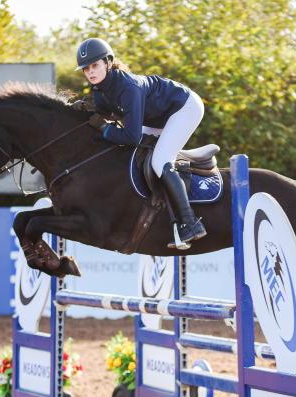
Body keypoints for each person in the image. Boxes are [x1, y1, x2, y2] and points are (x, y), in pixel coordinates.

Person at [75, 37, 206, 250]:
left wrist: (104, 128)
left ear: (108, 62)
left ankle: (189, 223)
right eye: (86, 69)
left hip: (184, 107)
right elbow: (103, 114)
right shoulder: (99, 90)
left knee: (160, 161)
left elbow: (131, 136)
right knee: (134, 157)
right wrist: (83, 110)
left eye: (95, 65)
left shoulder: (128, 87)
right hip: (158, 118)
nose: (90, 72)